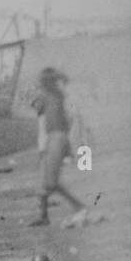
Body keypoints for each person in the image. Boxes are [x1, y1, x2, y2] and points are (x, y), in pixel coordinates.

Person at [30, 68, 87, 228]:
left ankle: (79, 206)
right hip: (52, 138)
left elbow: (56, 79)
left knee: (50, 183)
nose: (41, 83)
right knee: (46, 182)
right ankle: (44, 216)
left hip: (57, 137)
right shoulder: (48, 95)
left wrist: (53, 77)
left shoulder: (55, 94)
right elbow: (35, 104)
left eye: (43, 81)